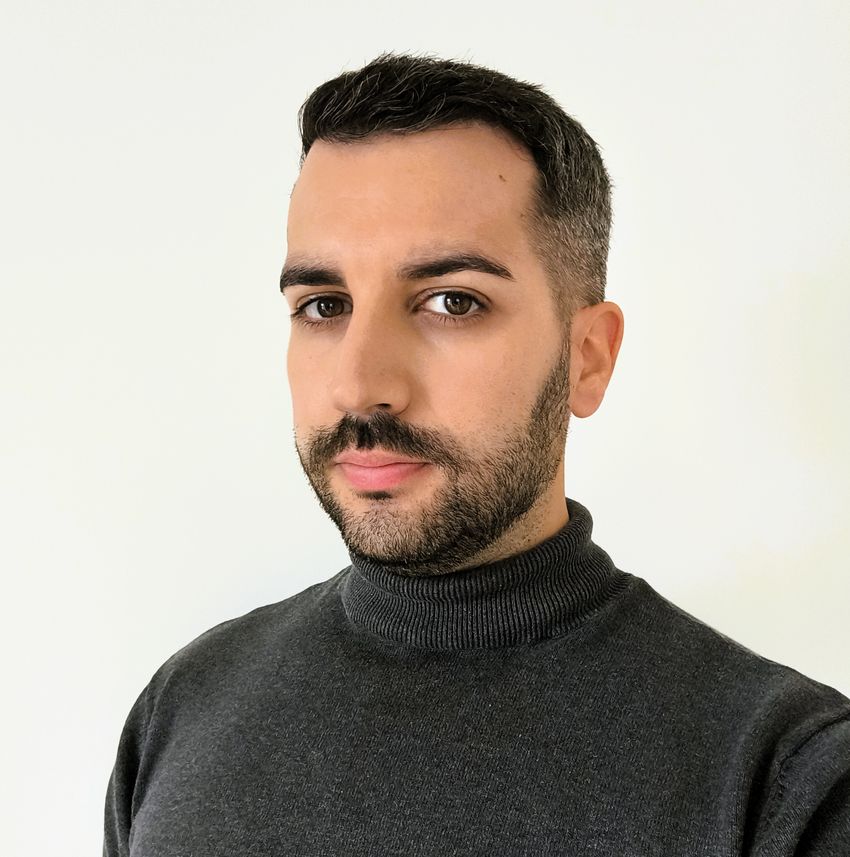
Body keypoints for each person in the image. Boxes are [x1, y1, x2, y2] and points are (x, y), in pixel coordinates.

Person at [103, 53, 850, 856]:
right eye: (323, 305)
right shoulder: (184, 708)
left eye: (452, 302)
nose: (361, 386)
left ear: (588, 357)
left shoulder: (785, 778)